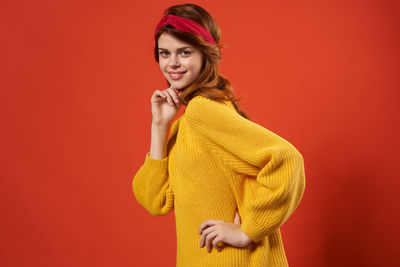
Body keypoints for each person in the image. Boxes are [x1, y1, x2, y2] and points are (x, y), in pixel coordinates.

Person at [132, 3, 306, 266]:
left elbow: (287, 159)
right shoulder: (186, 122)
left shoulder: (203, 111)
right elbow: (153, 199)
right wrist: (160, 126)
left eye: (184, 52)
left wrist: (248, 230)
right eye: (164, 53)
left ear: (206, 54)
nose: (173, 63)